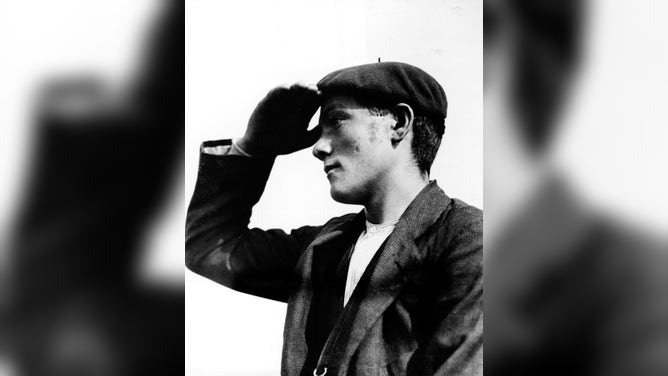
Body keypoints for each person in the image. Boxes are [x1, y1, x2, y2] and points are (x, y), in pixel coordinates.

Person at [186, 62, 482, 376]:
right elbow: (207, 248)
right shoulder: (326, 246)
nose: (318, 146)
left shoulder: (469, 240)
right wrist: (253, 148)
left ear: (398, 122)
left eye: (337, 120)